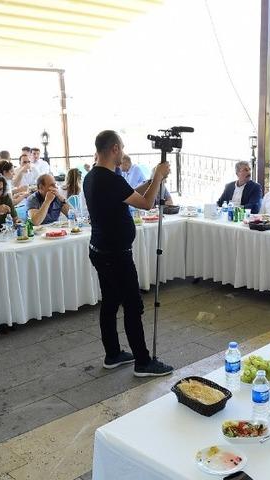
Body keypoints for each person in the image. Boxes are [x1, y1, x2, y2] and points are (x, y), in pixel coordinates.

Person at [85, 130, 174, 377]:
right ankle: (143, 362)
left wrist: (151, 180)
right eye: (122, 147)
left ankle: (113, 354)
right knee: (133, 306)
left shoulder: (93, 176)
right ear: (114, 148)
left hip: (100, 249)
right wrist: (158, 177)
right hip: (116, 254)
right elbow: (146, 204)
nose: (123, 152)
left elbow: (128, 194)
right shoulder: (110, 179)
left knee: (110, 303)